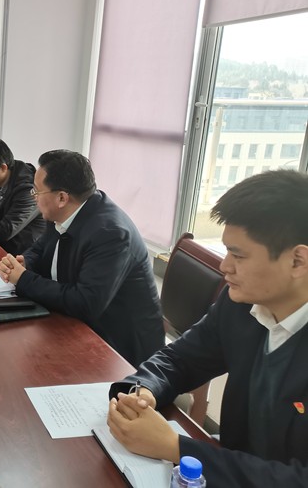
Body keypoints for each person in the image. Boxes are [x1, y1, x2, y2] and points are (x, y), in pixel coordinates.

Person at [106, 169, 308, 487]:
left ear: (298, 261)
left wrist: (176, 448)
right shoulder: (241, 304)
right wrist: (143, 392)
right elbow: (180, 359)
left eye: (238, 255)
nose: (225, 266)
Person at [0, 150, 163, 366]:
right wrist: (24, 262)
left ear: (62, 198)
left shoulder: (110, 234)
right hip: (77, 324)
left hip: (119, 350)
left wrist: (23, 279)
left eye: (36, 191)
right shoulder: (63, 211)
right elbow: (40, 248)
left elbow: (85, 303)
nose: (33, 197)